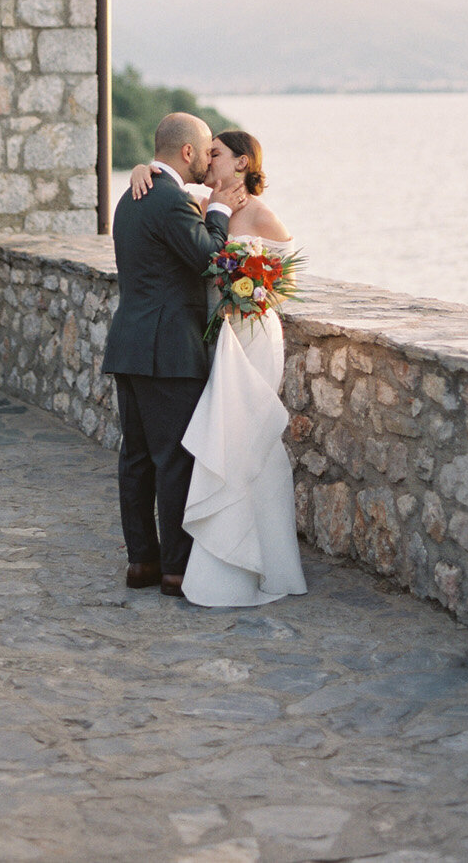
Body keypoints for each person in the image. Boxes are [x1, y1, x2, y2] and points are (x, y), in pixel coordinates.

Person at [129, 129, 307, 607]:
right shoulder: (201, 202)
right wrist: (140, 168)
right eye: (206, 153)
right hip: (210, 341)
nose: (208, 162)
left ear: (243, 163)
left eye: (217, 154)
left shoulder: (261, 215)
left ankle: (257, 557)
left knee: (247, 443)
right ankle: (213, 553)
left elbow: (284, 279)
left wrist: (250, 292)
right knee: (214, 443)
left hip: (248, 337)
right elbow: (163, 185)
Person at [102, 112, 248, 597]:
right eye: (206, 151)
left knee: (136, 459)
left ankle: (140, 562)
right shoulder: (169, 201)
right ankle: (175, 570)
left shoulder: (131, 197)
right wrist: (220, 214)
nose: (209, 159)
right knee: (173, 461)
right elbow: (211, 258)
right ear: (187, 153)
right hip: (169, 350)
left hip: (129, 343)